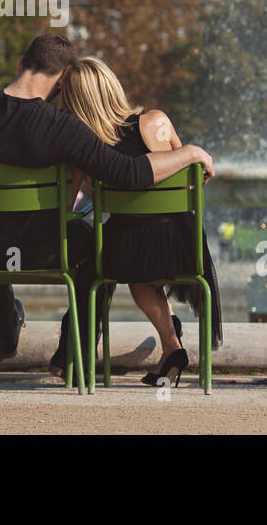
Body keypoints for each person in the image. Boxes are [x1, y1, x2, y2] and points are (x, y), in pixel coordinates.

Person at [0, 33, 214, 369]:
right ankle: (75, 355)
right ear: (64, 82)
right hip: (44, 250)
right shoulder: (64, 128)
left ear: (20, 64)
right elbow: (128, 174)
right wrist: (190, 152)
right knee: (98, 245)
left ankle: (5, 334)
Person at [57, 57, 222, 387]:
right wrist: (191, 151)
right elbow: (191, 184)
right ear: (111, 86)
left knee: (130, 255)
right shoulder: (156, 121)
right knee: (148, 236)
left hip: (128, 250)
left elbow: (65, 207)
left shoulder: (84, 148)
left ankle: (171, 345)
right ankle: (170, 347)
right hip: (183, 240)